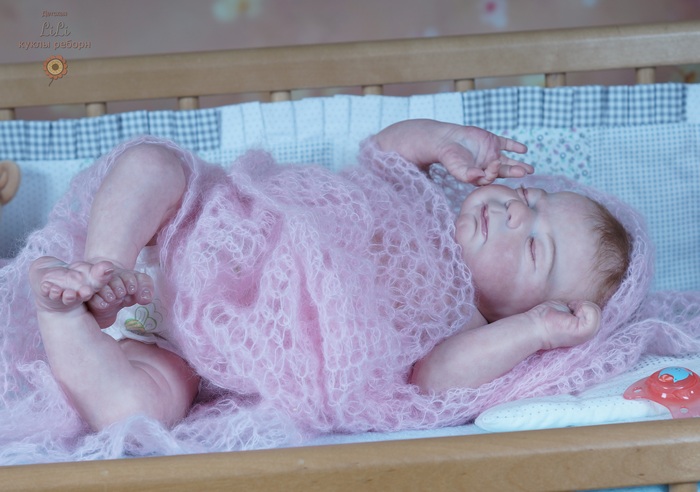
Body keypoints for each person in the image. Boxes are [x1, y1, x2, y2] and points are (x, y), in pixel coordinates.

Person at [28, 119, 629, 432]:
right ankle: (102, 268)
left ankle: (66, 319)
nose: (517, 212)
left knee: (139, 414)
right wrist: (444, 140)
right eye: (530, 198)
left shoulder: (467, 325)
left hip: (191, 353)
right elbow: (386, 151)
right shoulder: (422, 200)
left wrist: (535, 332)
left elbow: (437, 381)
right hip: (190, 232)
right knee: (151, 164)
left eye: (533, 247)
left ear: (520, 309)